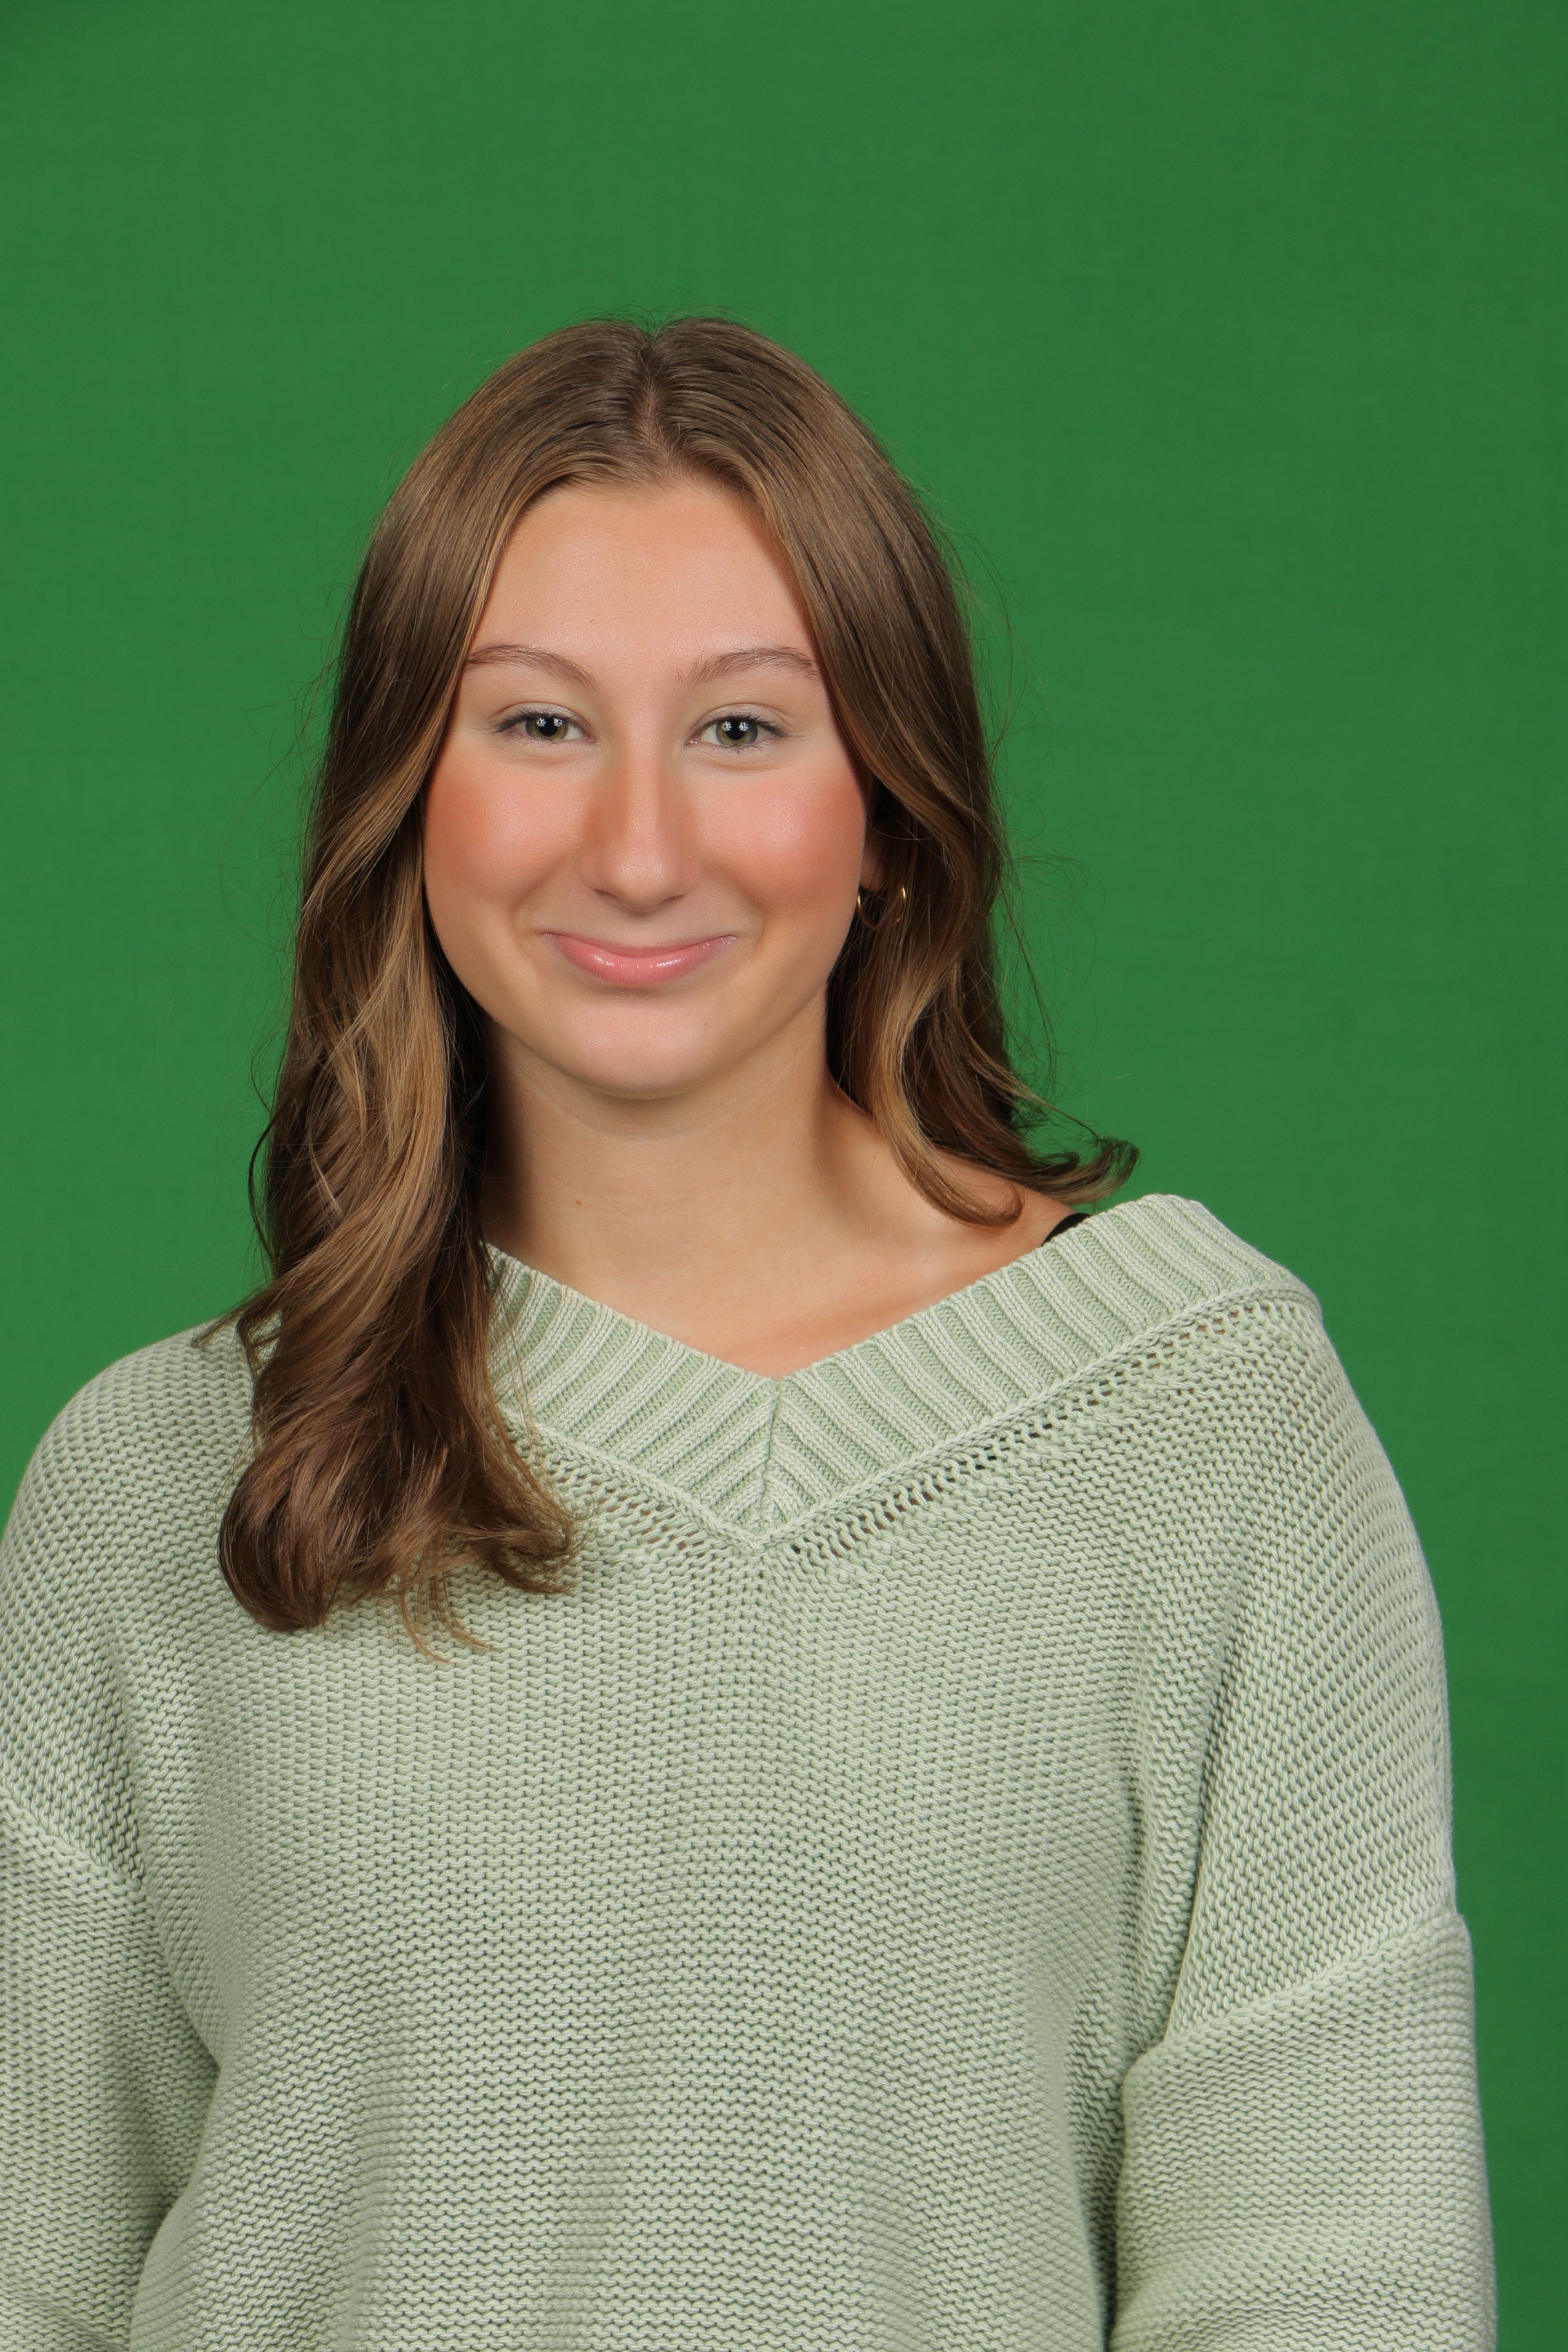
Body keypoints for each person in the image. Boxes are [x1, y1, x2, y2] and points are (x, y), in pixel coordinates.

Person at [0, 318, 1493, 2350]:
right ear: (404, 798)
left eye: (740, 728)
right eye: (537, 724)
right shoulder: (159, 1479)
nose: (637, 849)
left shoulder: (1206, 1429)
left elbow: (1337, 2281)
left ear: (888, 808)